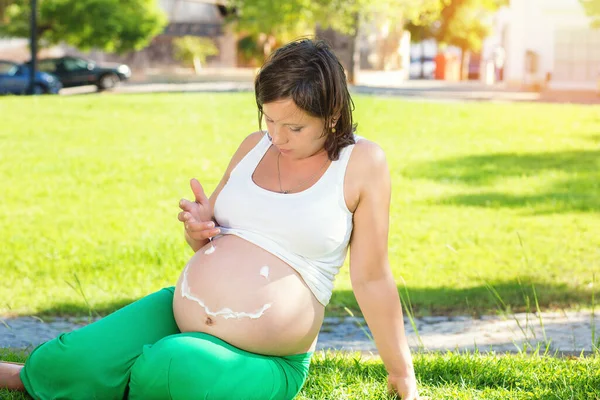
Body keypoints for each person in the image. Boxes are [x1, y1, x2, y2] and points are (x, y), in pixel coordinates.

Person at [0, 38, 419, 399]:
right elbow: (210, 240)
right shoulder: (254, 146)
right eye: (269, 119)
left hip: (266, 357)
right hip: (180, 312)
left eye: (294, 127)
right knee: (73, 361)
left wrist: (401, 371)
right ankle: (48, 377)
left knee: (170, 365)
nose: (277, 137)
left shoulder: (362, 162)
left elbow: (371, 278)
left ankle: (130, 380)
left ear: (331, 115)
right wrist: (199, 229)